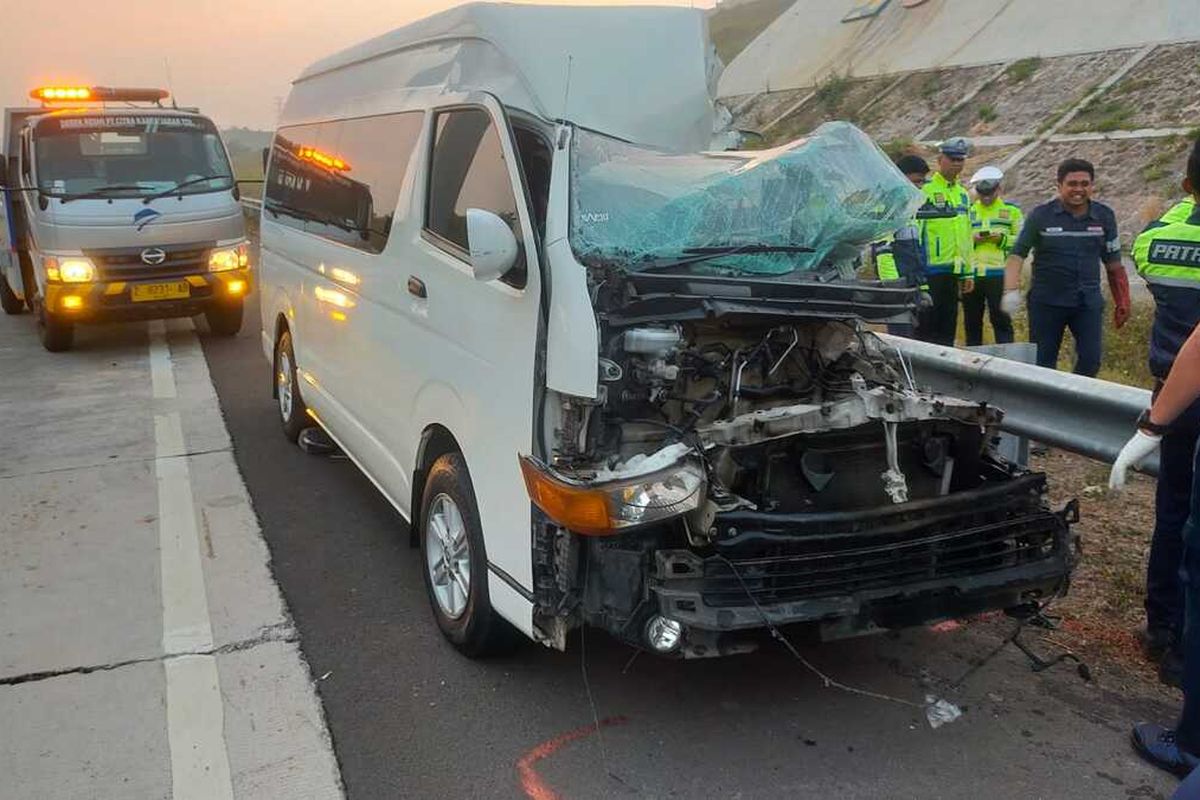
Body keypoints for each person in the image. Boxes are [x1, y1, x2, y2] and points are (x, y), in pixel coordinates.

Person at [1130, 139, 1200, 687]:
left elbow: (1142, 248)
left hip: (1175, 399)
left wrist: (1183, 203)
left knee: (1175, 514)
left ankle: (1164, 634)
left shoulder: (1161, 239)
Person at [1001, 158, 1131, 377]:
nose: (1078, 189)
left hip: (1087, 303)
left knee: (1091, 361)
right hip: (1047, 303)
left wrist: (1123, 300)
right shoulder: (1041, 215)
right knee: (1043, 365)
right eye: (1072, 184)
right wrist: (1010, 291)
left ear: (1092, 186)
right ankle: (1044, 408)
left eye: (1084, 183)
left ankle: (1076, 403)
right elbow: (1016, 256)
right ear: (1059, 185)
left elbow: (1114, 264)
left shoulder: (1104, 216)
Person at [920, 137, 976, 346]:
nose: (956, 163)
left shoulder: (962, 195)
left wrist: (968, 271)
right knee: (926, 331)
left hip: (953, 271)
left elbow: (966, 235)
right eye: (952, 158)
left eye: (960, 159)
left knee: (947, 331)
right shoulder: (925, 190)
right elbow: (916, 233)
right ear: (940, 159)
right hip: (930, 272)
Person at [873, 154, 931, 337]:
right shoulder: (888, 206)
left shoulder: (909, 207)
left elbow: (915, 252)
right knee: (902, 342)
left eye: (922, 182)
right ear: (900, 177)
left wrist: (922, 287)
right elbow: (882, 251)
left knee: (918, 341)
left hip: (912, 285)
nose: (920, 187)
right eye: (916, 181)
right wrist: (893, 288)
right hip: (896, 288)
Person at [963, 166, 1022, 346]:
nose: (986, 197)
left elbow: (1022, 242)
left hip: (999, 275)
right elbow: (959, 240)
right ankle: (972, 364)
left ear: (999, 189)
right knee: (972, 323)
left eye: (990, 193)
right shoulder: (968, 211)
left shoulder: (1011, 211)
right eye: (982, 193)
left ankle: (1007, 363)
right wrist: (971, 239)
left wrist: (1001, 239)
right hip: (972, 275)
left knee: (1001, 321)